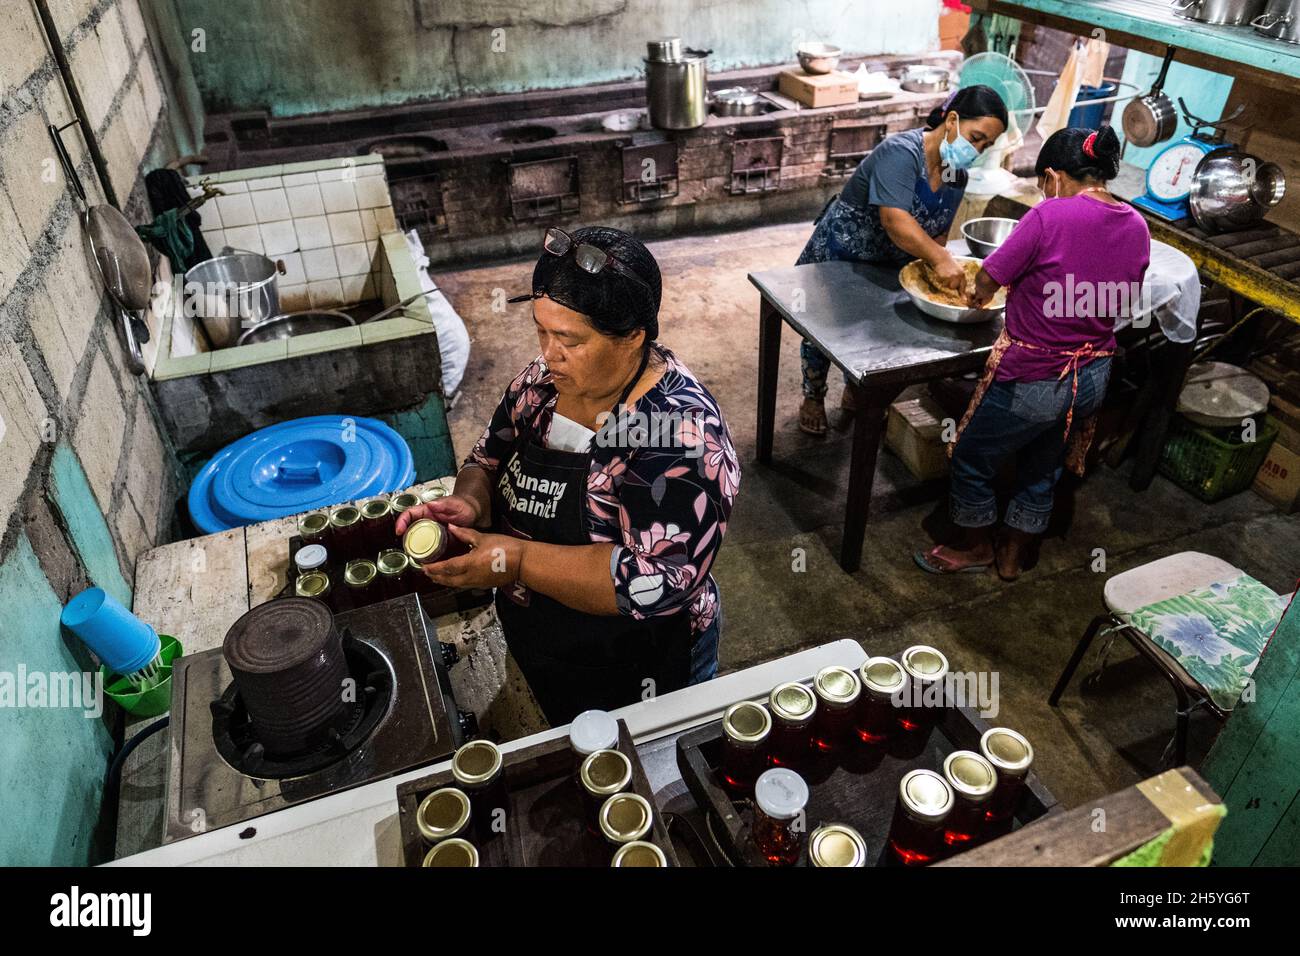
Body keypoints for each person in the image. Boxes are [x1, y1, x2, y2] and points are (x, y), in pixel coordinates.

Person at [396, 226, 740, 724]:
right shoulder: (541, 384)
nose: (548, 353)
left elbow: (658, 580)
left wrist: (516, 561)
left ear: (632, 339)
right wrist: (470, 502)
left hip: (640, 661)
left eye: (570, 340)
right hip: (545, 642)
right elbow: (487, 457)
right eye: (542, 331)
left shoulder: (678, 436)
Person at [915, 125, 1150, 581]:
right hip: (1095, 373)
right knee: (1042, 463)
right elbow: (1117, 297)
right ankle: (1012, 555)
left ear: (1053, 176)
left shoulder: (1049, 215)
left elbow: (986, 283)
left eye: (1045, 183)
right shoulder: (1137, 224)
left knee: (969, 455)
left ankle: (976, 545)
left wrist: (977, 296)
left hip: (1038, 375)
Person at [795, 84, 1008, 435]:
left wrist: (943, 276)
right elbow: (896, 222)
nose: (979, 150)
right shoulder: (901, 153)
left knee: (868, 335)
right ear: (952, 120)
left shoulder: (956, 174)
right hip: (842, 257)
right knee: (824, 329)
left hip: (888, 266)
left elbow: (938, 231)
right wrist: (940, 259)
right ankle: (813, 395)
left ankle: (857, 390)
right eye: (976, 137)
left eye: (987, 144)